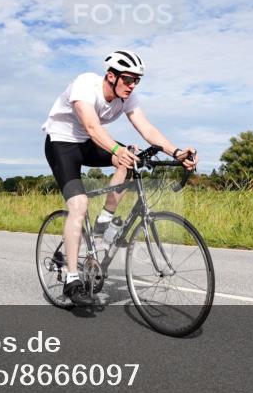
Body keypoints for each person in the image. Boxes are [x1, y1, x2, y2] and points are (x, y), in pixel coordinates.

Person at [41, 50, 197, 306]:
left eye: (137, 80)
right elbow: (92, 127)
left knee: (132, 157)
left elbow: (147, 128)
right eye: (127, 79)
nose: (132, 85)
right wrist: (116, 150)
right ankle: (71, 279)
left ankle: (105, 223)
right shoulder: (85, 86)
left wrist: (177, 152)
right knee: (79, 205)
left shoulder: (128, 98)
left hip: (90, 143)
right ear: (111, 76)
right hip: (62, 143)